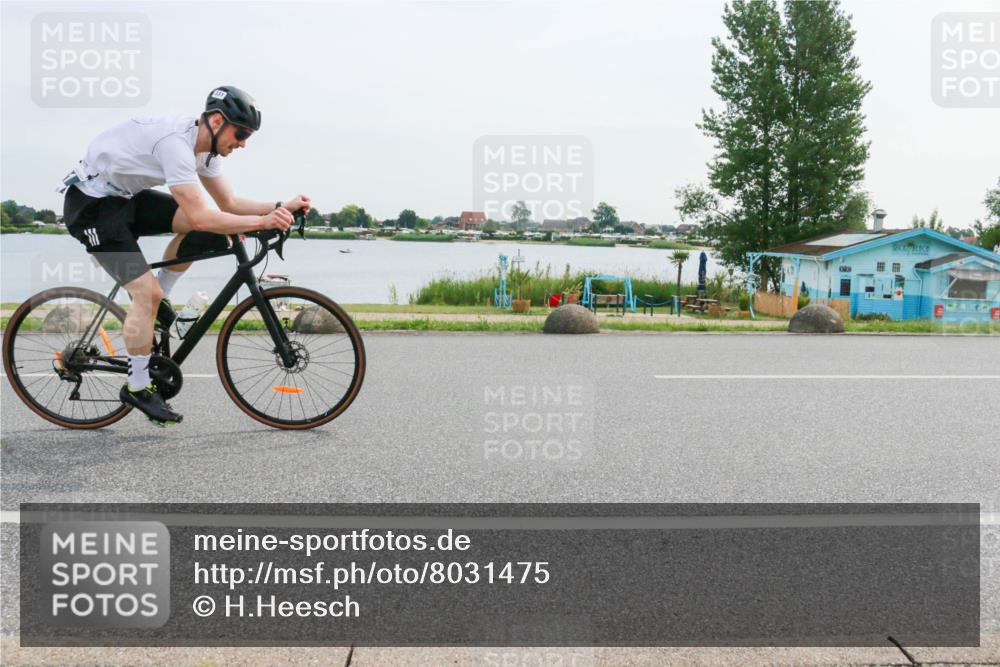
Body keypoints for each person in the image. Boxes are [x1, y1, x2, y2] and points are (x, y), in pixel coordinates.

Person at [59, 86, 311, 426]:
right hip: (91, 208)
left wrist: (281, 206)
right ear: (219, 121)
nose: (243, 143)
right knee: (147, 293)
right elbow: (201, 214)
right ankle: (137, 386)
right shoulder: (175, 145)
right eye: (241, 134)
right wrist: (264, 221)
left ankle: (161, 303)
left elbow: (229, 205)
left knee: (208, 235)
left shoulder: (205, 151)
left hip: (125, 199)